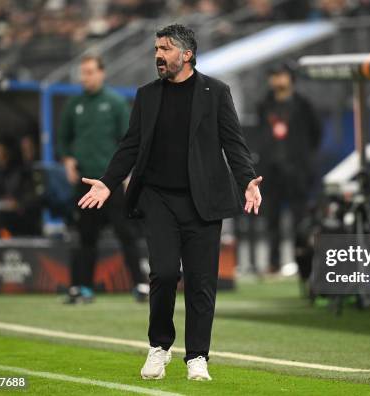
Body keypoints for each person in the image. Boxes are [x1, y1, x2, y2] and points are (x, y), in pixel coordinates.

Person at [77, 24, 262, 381]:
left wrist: (247, 182)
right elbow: (130, 145)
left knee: (201, 282)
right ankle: (159, 347)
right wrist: (108, 182)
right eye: (156, 49)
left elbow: (233, 144)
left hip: (203, 201)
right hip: (159, 198)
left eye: (165, 49)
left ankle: (197, 357)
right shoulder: (146, 95)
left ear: (186, 54)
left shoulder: (216, 92)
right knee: (163, 273)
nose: (158, 55)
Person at [57, 54, 147, 304]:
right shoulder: (73, 105)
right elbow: (63, 139)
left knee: (126, 233)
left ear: (102, 73)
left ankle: (140, 285)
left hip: (112, 183)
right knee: (85, 236)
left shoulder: (115, 103)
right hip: (85, 184)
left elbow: (129, 141)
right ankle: (82, 288)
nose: (86, 77)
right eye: (83, 72)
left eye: (90, 71)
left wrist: (128, 175)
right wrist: (67, 160)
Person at [257, 62, 322, 273]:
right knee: (271, 219)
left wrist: (303, 158)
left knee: (300, 220)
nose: (277, 80)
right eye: (274, 75)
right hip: (271, 170)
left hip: (297, 171)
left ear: (291, 78)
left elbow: (316, 134)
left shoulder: (303, 105)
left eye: (281, 75)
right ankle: (273, 264)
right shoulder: (264, 105)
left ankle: (302, 264)